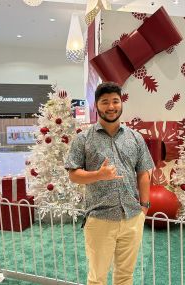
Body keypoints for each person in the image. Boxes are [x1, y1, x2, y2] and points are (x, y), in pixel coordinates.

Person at [65, 82, 154, 285]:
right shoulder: (83, 139)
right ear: (96, 105)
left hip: (132, 216)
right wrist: (98, 175)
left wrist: (144, 207)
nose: (111, 106)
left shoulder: (135, 137)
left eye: (115, 101)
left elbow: (143, 172)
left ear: (121, 103)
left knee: (125, 276)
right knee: (97, 278)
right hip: (100, 218)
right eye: (105, 102)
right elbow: (73, 174)